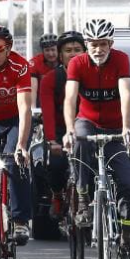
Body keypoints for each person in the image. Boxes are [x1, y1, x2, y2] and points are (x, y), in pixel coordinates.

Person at [62, 19, 130, 259]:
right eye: (93, 44)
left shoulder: (121, 59)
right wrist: (68, 130)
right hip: (88, 121)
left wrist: (127, 128)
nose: (98, 49)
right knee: (80, 142)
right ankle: (84, 199)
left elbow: (125, 93)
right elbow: (70, 97)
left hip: (116, 127)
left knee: (128, 186)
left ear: (111, 44)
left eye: (103, 44)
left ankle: (126, 240)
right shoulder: (77, 63)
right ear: (87, 45)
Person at [0, 25, 33, 245]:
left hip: (14, 121)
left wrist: (21, 144)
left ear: (8, 48)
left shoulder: (20, 66)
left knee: (14, 162)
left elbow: (24, 108)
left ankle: (20, 220)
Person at [38, 31, 86, 217]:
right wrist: (52, 140)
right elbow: (48, 112)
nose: (73, 54)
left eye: (77, 50)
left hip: (85, 128)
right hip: (59, 130)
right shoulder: (51, 78)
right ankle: (57, 195)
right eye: (68, 50)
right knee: (56, 165)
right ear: (60, 55)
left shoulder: (91, 75)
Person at [29, 33, 59, 107]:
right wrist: (33, 109)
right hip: (42, 99)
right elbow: (33, 88)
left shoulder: (64, 60)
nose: (51, 53)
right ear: (42, 51)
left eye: (53, 50)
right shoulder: (35, 62)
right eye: (47, 50)